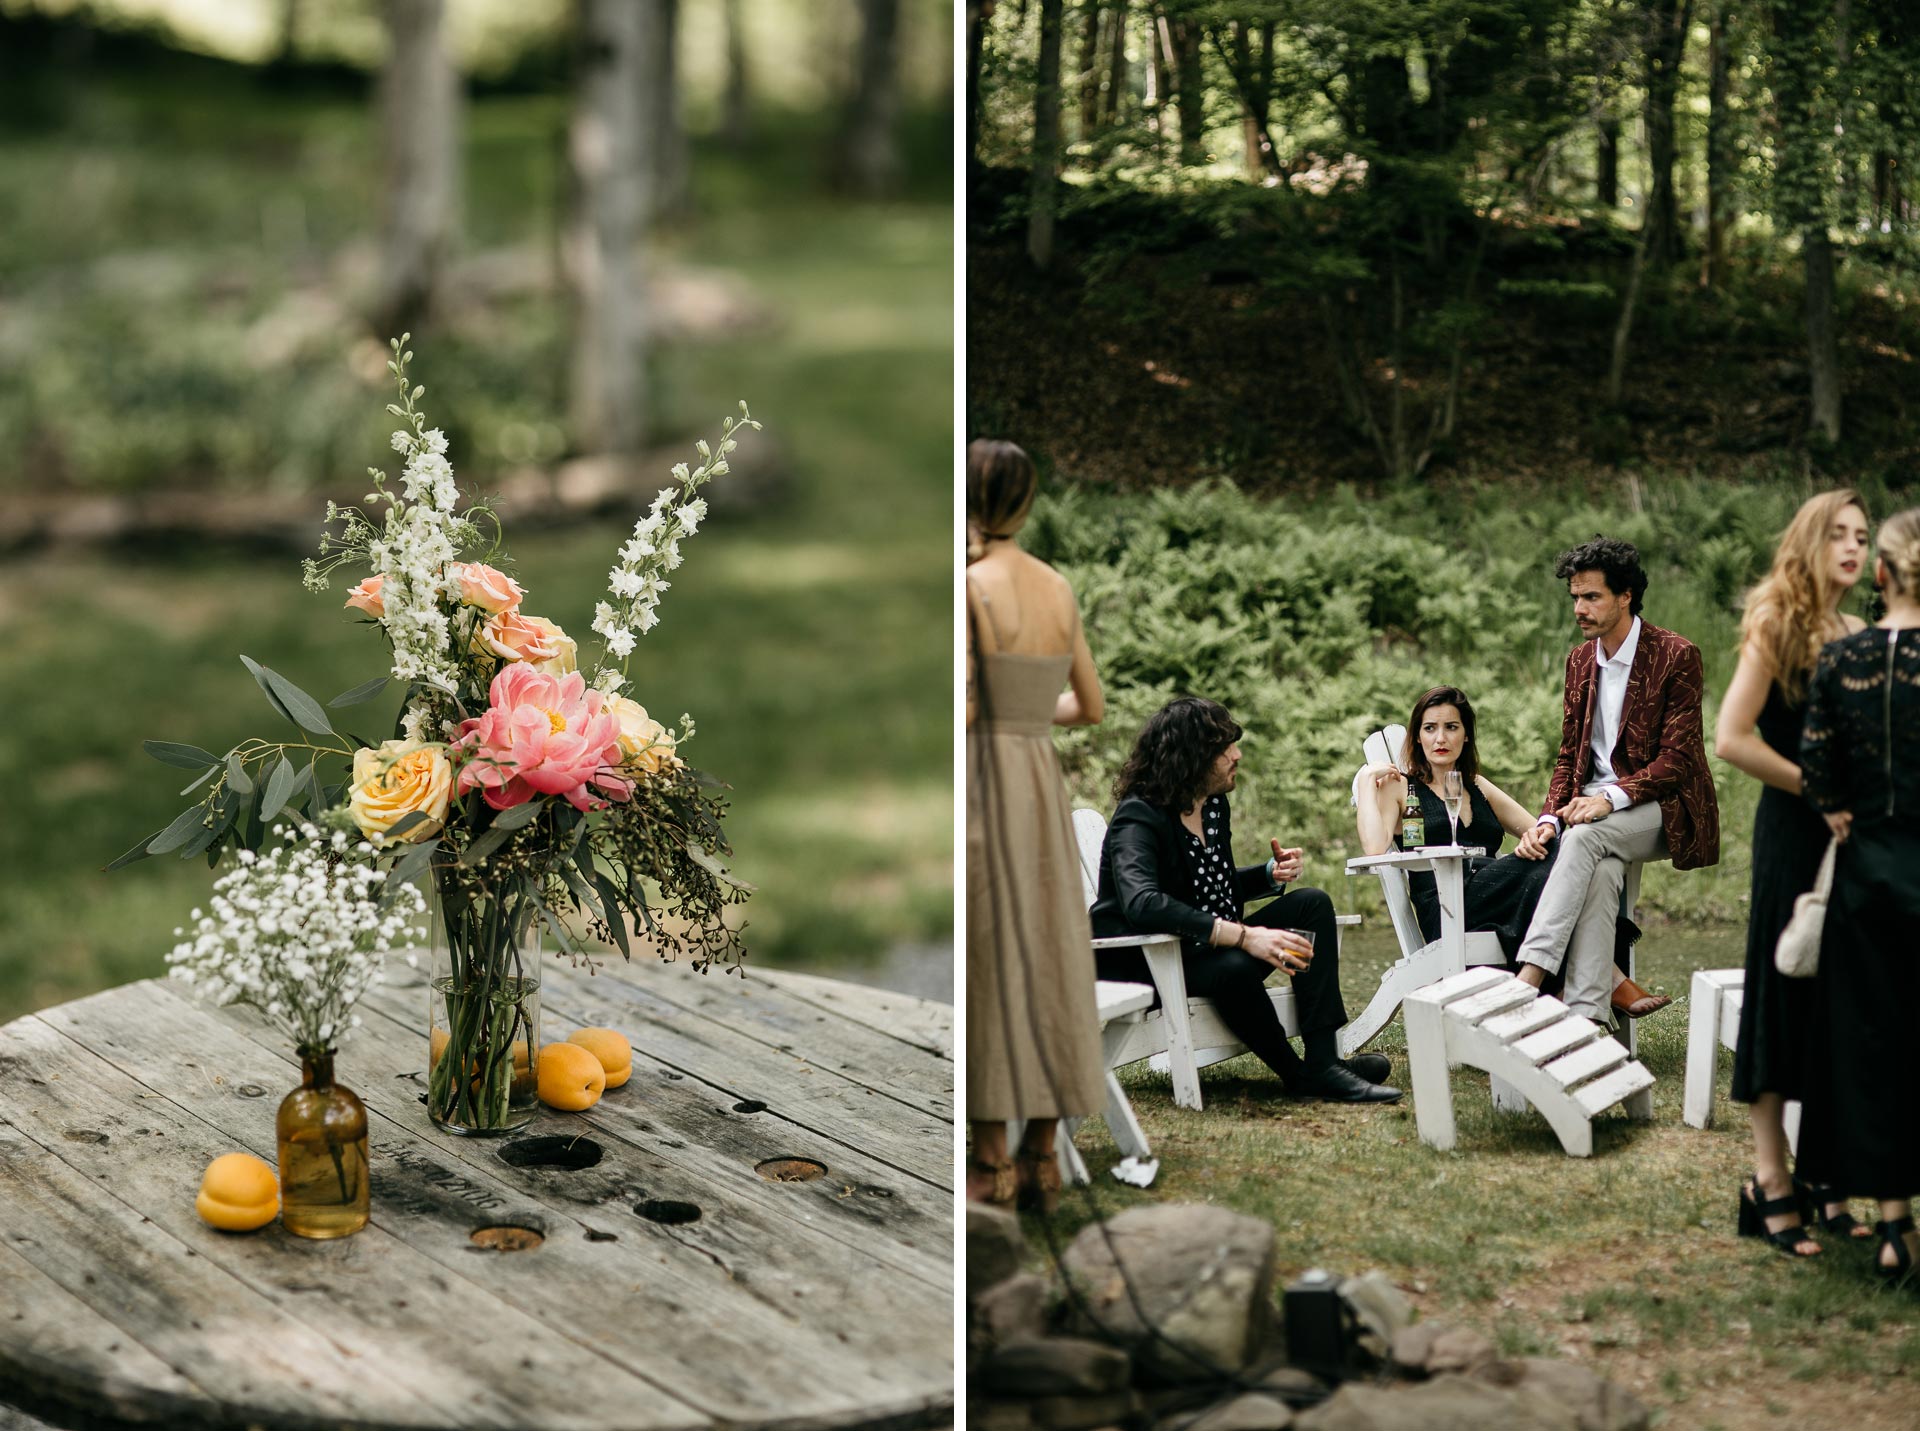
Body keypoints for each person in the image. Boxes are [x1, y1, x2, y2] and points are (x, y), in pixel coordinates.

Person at [1088, 697, 1401, 1103]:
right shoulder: (1140, 816)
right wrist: (1244, 936)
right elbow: (1143, 902)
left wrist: (1267, 875)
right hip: (1151, 960)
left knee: (1311, 903)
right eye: (1225, 748)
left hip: (1201, 949)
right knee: (1233, 964)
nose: (1236, 755)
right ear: (1192, 756)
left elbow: (1206, 886)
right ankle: (1298, 1076)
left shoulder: (1212, 806)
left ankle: (1324, 1063)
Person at [1715, 491, 1872, 1258]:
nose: (1853, 548)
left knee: (1837, 1002)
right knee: (1782, 990)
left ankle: (1827, 1177)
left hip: (1851, 838)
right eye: (1838, 534)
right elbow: (1731, 737)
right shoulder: (1776, 621)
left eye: (1862, 536)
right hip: (1792, 828)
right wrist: (1815, 789)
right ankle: (1770, 1180)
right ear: (1809, 541)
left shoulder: (1860, 631)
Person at [964, 438, 1107, 1214]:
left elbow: (966, 707)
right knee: (1051, 949)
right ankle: (1042, 1155)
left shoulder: (970, 588)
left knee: (988, 953)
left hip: (986, 778)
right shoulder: (1058, 587)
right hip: (1040, 778)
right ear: (1025, 501)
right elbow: (1089, 705)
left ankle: (990, 1161)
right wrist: (1027, 711)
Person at [1511, 537, 1720, 1023]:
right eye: (1575, 598)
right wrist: (1547, 818)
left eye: (1592, 597)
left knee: (1585, 839)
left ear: (1626, 595)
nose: (1579, 609)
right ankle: (1586, 1018)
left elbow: (1678, 760)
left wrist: (1610, 798)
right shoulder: (1579, 661)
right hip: (1592, 813)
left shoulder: (1676, 655)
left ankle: (1529, 978)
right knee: (1601, 868)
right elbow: (1569, 756)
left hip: (1664, 807)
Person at [1793, 507, 1920, 1285]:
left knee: (1877, 1040)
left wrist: (1841, 807)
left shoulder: (1844, 660)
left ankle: (1893, 1225)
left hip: (1868, 872)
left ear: (1881, 573)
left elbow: (1816, 766)